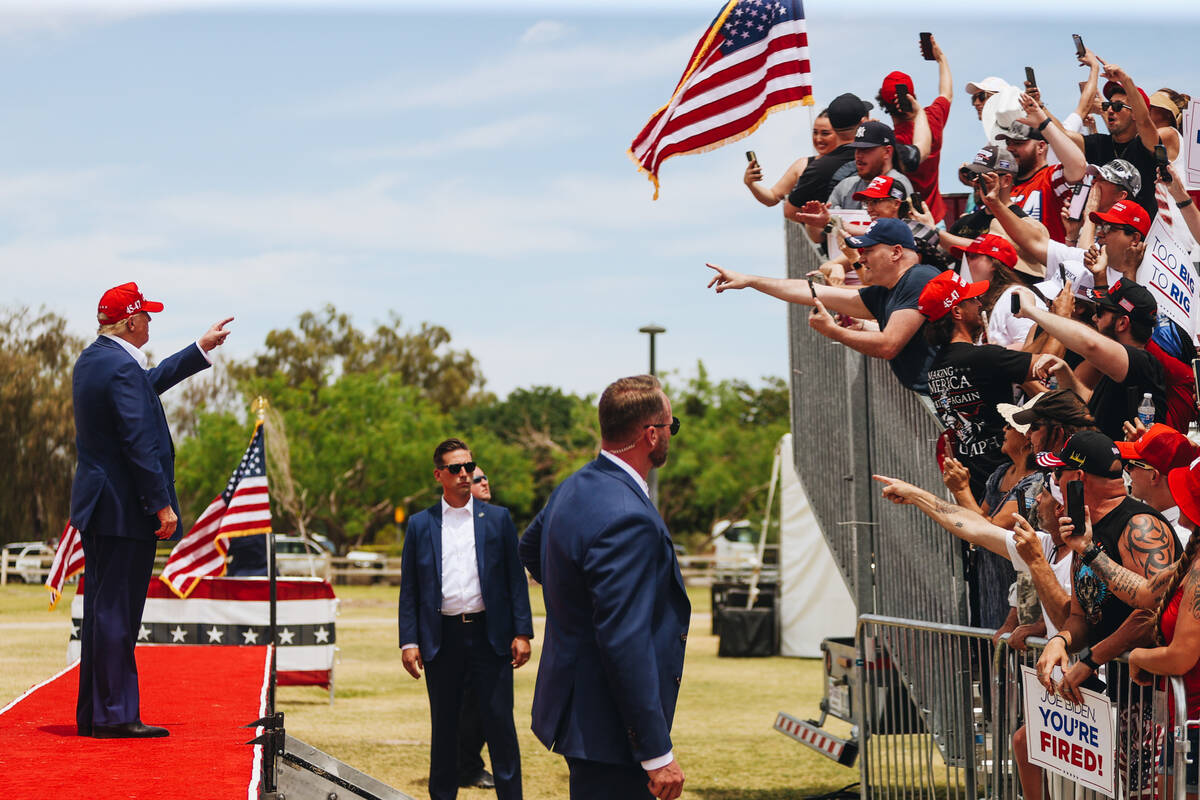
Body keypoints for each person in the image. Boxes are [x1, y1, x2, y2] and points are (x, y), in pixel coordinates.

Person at [71, 282, 232, 738]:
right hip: (125, 509)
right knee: (118, 612)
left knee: (104, 611)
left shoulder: (96, 360)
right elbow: (139, 442)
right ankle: (117, 714)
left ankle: (96, 712)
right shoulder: (121, 367)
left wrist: (198, 349)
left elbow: (147, 386)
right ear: (133, 320)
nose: (151, 323)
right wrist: (160, 503)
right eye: (148, 316)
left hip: (100, 506)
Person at [519, 375, 690, 800]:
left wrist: (573, 599)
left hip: (579, 711)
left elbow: (529, 547)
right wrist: (655, 754)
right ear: (651, 434)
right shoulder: (627, 515)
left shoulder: (574, 486)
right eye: (672, 426)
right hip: (610, 727)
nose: (671, 435)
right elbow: (623, 639)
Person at [397, 439, 533, 800]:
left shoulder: (498, 520)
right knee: (445, 730)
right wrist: (409, 641)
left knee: (501, 726)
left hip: (491, 635)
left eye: (469, 467)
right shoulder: (420, 524)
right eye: (456, 468)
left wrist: (522, 631)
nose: (464, 474)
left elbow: (514, 580)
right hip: (442, 638)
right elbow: (409, 587)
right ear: (438, 474)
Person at [707, 217, 939, 392]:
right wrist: (751, 280)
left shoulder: (919, 277)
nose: (862, 258)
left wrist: (833, 331)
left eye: (868, 250)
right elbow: (813, 291)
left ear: (896, 252)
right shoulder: (887, 291)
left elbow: (888, 345)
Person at [1034, 431, 1179, 706]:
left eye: (1056, 474)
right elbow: (1080, 616)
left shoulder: (1140, 526)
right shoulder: (1085, 531)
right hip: (1120, 692)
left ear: (1078, 478)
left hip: (1158, 692)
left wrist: (1091, 659)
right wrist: (1061, 641)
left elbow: (1155, 609)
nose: (1054, 483)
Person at [917, 269, 1036, 496]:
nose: (980, 303)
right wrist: (1053, 318)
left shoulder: (934, 370)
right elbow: (1044, 364)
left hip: (976, 481)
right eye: (972, 299)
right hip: (1008, 479)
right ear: (957, 312)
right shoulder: (982, 357)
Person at [1018, 278, 1166, 441]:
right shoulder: (1121, 369)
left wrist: (1030, 310)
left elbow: (1090, 344)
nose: (1095, 318)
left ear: (1122, 323)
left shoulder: (1142, 362)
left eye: (1101, 311)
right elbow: (1090, 402)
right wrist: (1066, 373)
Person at [875, 36, 953, 222]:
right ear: (913, 96)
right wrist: (941, 58)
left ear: (884, 104)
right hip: (935, 218)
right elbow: (946, 93)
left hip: (905, 222)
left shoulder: (889, 145)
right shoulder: (933, 118)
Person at [455, 464, 496, 790]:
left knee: (487, 707)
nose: (484, 482)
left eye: (483, 477)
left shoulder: (496, 521)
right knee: (468, 706)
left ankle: (469, 764)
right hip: (461, 629)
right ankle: (466, 767)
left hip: (492, 631)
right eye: (479, 478)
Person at [780, 93, 872, 210]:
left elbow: (791, 211)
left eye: (824, 133)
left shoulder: (818, 168)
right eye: (815, 132)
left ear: (832, 126)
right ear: (864, 122)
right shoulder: (886, 152)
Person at [1117, 423, 1199, 545]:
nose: (1127, 469)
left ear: (1154, 476)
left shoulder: (1181, 537)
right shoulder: (1152, 506)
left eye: (1132, 464)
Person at [744, 110, 837, 207]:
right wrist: (750, 184)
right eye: (815, 133)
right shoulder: (802, 165)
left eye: (825, 133)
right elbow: (772, 198)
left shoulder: (852, 162)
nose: (818, 139)